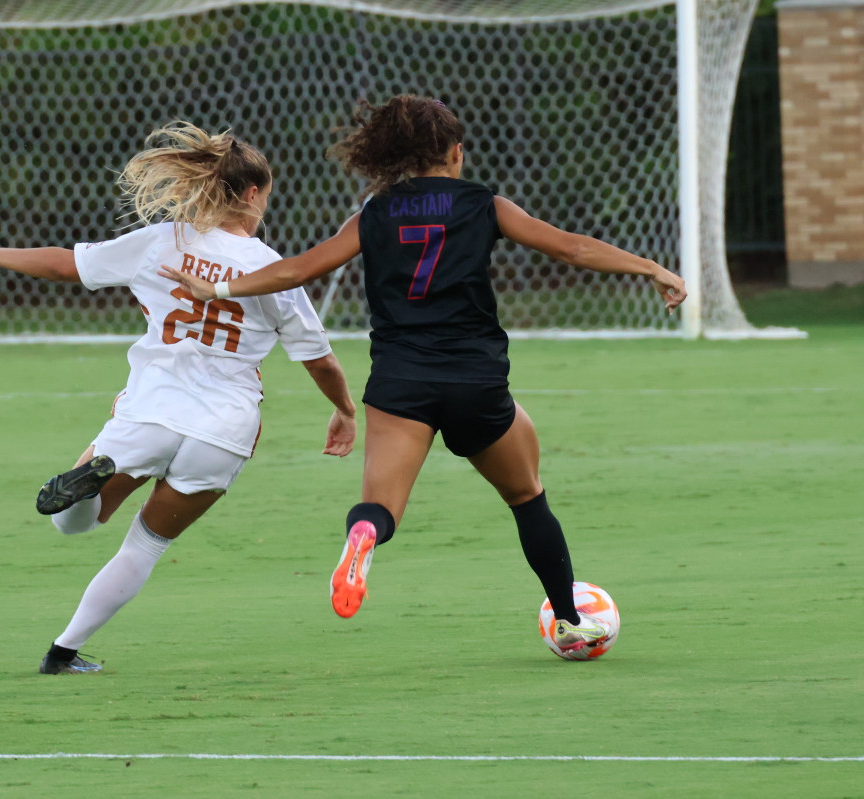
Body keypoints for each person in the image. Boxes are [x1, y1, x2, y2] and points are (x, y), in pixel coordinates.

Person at [161, 95, 686, 656]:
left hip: (400, 384)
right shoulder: (485, 204)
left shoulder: (374, 213)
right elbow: (571, 249)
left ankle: (363, 535)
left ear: (396, 155)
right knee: (527, 496)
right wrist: (650, 267)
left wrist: (218, 288)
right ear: (455, 152)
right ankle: (568, 619)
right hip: (475, 381)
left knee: (380, 506)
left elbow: (300, 269)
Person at [0, 122, 358, 674]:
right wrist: (345, 410)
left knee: (74, 524)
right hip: (223, 428)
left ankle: (85, 487)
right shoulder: (273, 269)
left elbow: (66, 264)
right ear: (253, 193)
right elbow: (319, 360)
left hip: (152, 410)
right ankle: (61, 653)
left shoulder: (164, 241)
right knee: (145, 546)